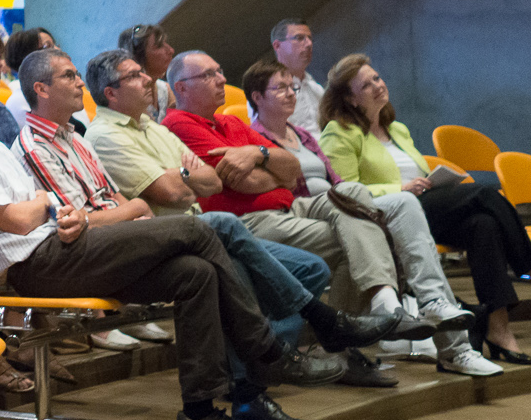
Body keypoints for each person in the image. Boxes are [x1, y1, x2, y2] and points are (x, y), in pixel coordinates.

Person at [0, 53, 293, 420]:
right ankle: (265, 350)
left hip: (55, 245)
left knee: (194, 273)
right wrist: (45, 202)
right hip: (30, 264)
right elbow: (17, 220)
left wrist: (52, 208)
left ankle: (200, 415)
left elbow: (35, 208)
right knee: (192, 228)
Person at [47, 48, 365, 382]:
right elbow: (172, 192)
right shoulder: (106, 134)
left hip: (202, 227)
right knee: (232, 255)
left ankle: (269, 360)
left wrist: (218, 166)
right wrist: (186, 176)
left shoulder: (154, 129)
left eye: (143, 73)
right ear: (111, 93)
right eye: (133, 76)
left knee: (311, 267)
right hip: (167, 236)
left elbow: (214, 181)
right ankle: (256, 375)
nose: (146, 80)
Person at [161, 50, 418, 374]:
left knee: (353, 194)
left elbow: (293, 168)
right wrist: (270, 170)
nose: (222, 79)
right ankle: (343, 344)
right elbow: (245, 184)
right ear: (182, 88)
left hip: (291, 206)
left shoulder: (230, 122)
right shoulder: (179, 124)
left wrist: (257, 152)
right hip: (247, 221)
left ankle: (385, 302)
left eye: (220, 70)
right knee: (354, 238)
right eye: (209, 75)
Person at [317, 55, 531, 364]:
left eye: (377, 78)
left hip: (421, 207)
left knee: (484, 224)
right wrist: (399, 189)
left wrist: (427, 184)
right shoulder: (340, 132)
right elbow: (344, 189)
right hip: (388, 214)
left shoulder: (397, 129)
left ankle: (499, 329)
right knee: (483, 193)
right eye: (366, 84)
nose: (378, 85)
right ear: (349, 98)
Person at [241, 57, 496, 376]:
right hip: (302, 216)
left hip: (340, 208)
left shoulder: (304, 138)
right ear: (257, 97)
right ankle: (378, 326)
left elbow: (339, 184)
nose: (292, 93)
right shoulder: (250, 139)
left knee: (404, 204)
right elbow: (279, 190)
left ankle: (435, 312)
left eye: (292, 86)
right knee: (375, 235)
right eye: (280, 88)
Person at [266, 20, 328, 137]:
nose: (309, 44)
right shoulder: (266, 90)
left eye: (310, 38)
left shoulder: (316, 87)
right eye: (299, 38)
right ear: (277, 46)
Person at [118, 23, 177, 122]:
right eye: (159, 46)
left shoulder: (165, 89)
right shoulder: (128, 98)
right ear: (136, 57)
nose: (171, 50)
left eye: (166, 43)